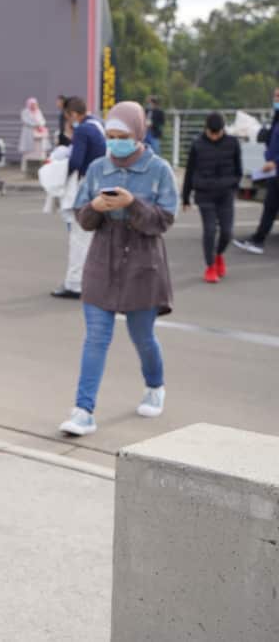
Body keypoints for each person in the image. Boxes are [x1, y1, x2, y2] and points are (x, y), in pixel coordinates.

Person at [58, 102, 177, 436]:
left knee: (143, 336)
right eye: (110, 136)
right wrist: (95, 206)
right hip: (102, 261)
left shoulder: (159, 169)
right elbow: (82, 216)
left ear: (138, 134)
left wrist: (132, 204)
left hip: (143, 262)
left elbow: (165, 219)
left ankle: (155, 385)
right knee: (96, 337)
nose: (115, 142)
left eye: (122, 136)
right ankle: (83, 411)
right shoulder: (97, 168)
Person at [51, 96, 107, 299]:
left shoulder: (83, 130)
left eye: (68, 117)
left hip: (85, 187)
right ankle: (93, 279)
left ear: (73, 114)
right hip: (100, 185)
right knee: (92, 238)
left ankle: (75, 283)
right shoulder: (98, 124)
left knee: (79, 237)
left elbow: (76, 161)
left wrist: (58, 172)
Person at [181, 112, 242, 283]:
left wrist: (234, 185)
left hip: (225, 193)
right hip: (204, 193)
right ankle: (210, 266)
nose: (214, 137)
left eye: (218, 133)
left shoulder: (232, 143)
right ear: (206, 129)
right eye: (211, 133)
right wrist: (185, 197)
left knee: (227, 232)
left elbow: (239, 168)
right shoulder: (197, 144)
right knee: (209, 230)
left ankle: (218, 254)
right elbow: (190, 171)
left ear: (223, 130)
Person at [233, 85, 279, 255]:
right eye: (275, 96)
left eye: (278, 96)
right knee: (270, 207)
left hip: (275, 168)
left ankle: (258, 239)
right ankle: (257, 240)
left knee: (271, 207)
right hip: (274, 172)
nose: (276, 99)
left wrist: (275, 161)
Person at [18, 96, 50, 172]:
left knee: (40, 152)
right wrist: (36, 125)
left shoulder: (38, 111)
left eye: (35, 104)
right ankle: (25, 168)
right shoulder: (25, 112)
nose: (33, 106)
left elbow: (43, 121)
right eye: (32, 104)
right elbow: (26, 120)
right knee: (28, 152)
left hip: (39, 135)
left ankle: (41, 167)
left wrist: (40, 125)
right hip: (29, 134)